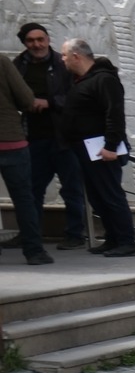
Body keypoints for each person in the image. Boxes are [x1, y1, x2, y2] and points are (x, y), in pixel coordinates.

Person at [60, 39, 135, 257]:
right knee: (97, 197)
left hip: (102, 149)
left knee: (111, 195)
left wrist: (110, 146)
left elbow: (114, 113)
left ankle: (126, 241)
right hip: (85, 149)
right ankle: (113, 238)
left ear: (76, 56)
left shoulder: (104, 80)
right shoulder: (81, 81)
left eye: (64, 55)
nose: (62, 59)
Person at [14, 23, 85, 252]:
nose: (37, 44)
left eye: (40, 39)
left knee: (71, 188)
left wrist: (50, 103)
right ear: (25, 43)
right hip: (33, 137)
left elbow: (77, 96)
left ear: (47, 39)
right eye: (31, 40)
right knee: (31, 189)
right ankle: (29, 234)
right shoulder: (18, 65)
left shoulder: (62, 63)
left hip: (63, 136)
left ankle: (75, 234)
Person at [0, 53, 50, 264]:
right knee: (24, 199)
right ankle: (34, 252)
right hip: (10, 139)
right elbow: (27, 99)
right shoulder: (2, 61)